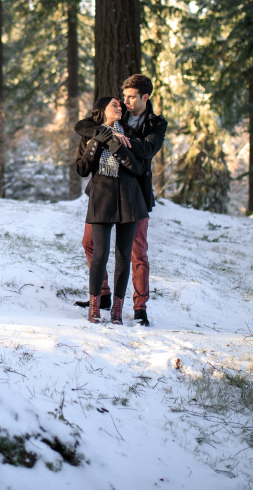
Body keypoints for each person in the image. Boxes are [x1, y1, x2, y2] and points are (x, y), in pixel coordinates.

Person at [75, 74, 167, 326]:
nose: (124, 101)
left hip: (134, 191)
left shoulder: (155, 123)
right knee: (91, 243)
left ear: (144, 98)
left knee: (135, 252)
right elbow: (85, 125)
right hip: (104, 191)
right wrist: (108, 136)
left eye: (130, 97)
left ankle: (138, 308)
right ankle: (101, 297)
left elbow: (147, 150)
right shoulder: (118, 115)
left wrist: (126, 143)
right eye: (122, 97)